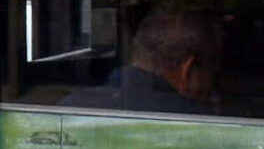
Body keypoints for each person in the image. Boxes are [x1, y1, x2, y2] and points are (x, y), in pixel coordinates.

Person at [61, 9, 221, 114]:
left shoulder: (70, 106)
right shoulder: (202, 121)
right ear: (187, 69)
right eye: (210, 75)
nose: (211, 87)